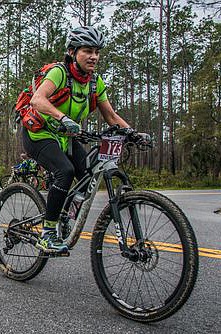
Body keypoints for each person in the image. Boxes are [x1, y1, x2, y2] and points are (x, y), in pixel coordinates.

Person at [25, 26, 149, 254]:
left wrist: (132, 133)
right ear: (73, 52)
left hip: (66, 136)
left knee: (87, 174)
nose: (94, 56)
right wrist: (62, 117)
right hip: (39, 132)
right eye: (87, 51)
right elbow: (37, 100)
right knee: (65, 171)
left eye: (97, 51)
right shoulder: (59, 73)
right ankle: (47, 232)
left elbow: (111, 116)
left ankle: (63, 214)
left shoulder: (95, 83)